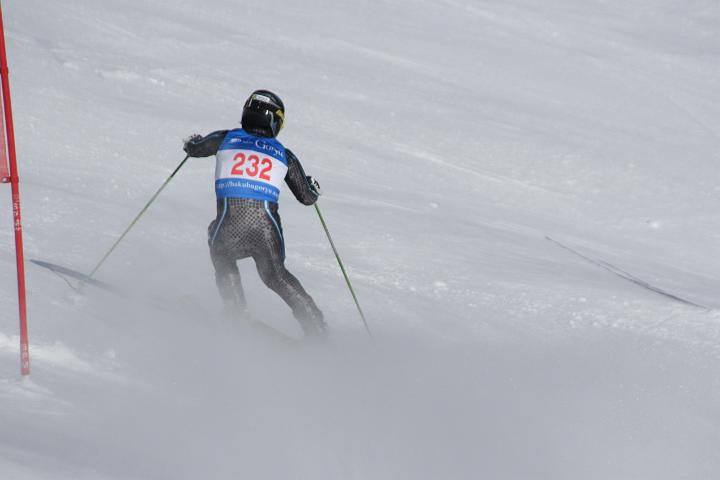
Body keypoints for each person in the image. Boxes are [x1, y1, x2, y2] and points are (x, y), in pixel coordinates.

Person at [183, 90, 327, 336]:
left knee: (221, 251)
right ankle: (317, 330)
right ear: (276, 121)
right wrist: (312, 188)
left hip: (228, 226)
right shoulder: (284, 154)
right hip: (266, 229)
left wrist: (192, 142)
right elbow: (307, 198)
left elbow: (195, 149)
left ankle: (235, 310)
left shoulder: (226, 138)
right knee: (276, 276)